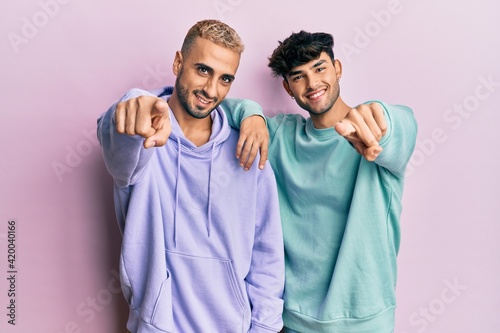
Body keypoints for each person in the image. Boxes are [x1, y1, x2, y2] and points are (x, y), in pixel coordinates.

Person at [221, 30, 418, 333]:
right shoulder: (281, 136)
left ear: (337, 69)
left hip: (364, 323)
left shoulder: (372, 134)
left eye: (320, 68)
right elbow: (215, 107)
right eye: (298, 77)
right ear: (287, 87)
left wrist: (379, 123)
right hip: (292, 322)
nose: (312, 84)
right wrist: (252, 115)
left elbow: (399, 125)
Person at [97, 20, 285, 333]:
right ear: (178, 62)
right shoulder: (144, 141)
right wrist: (133, 101)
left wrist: (264, 327)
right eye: (203, 70)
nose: (211, 90)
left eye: (225, 79)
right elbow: (116, 132)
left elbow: (268, 253)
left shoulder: (248, 149)